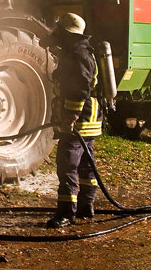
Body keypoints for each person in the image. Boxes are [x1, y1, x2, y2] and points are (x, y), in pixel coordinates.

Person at [44, 13, 103, 229]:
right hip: (89, 118)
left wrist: (71, 116)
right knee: (86, 165)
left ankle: (67, 213)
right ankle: (86, 206)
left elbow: (79, 89)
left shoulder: (78, 54)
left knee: (67, 164)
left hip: (79, 119)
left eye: (60, 30)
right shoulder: (79, 51)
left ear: (67, 32)